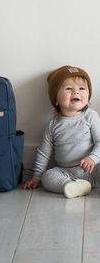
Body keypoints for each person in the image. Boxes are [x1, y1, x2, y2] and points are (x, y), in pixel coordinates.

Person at [22, 65, 100, 198]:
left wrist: (93, 158)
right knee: (48, 176)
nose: (76, 92)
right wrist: (36, 177)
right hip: (66, 172)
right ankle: (71, 186)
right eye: (69, 89)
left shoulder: (90, 116)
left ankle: (82, 185)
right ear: (56, 100)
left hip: (93, 168)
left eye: (82, 88)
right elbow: (43, 153)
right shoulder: (53, 125)